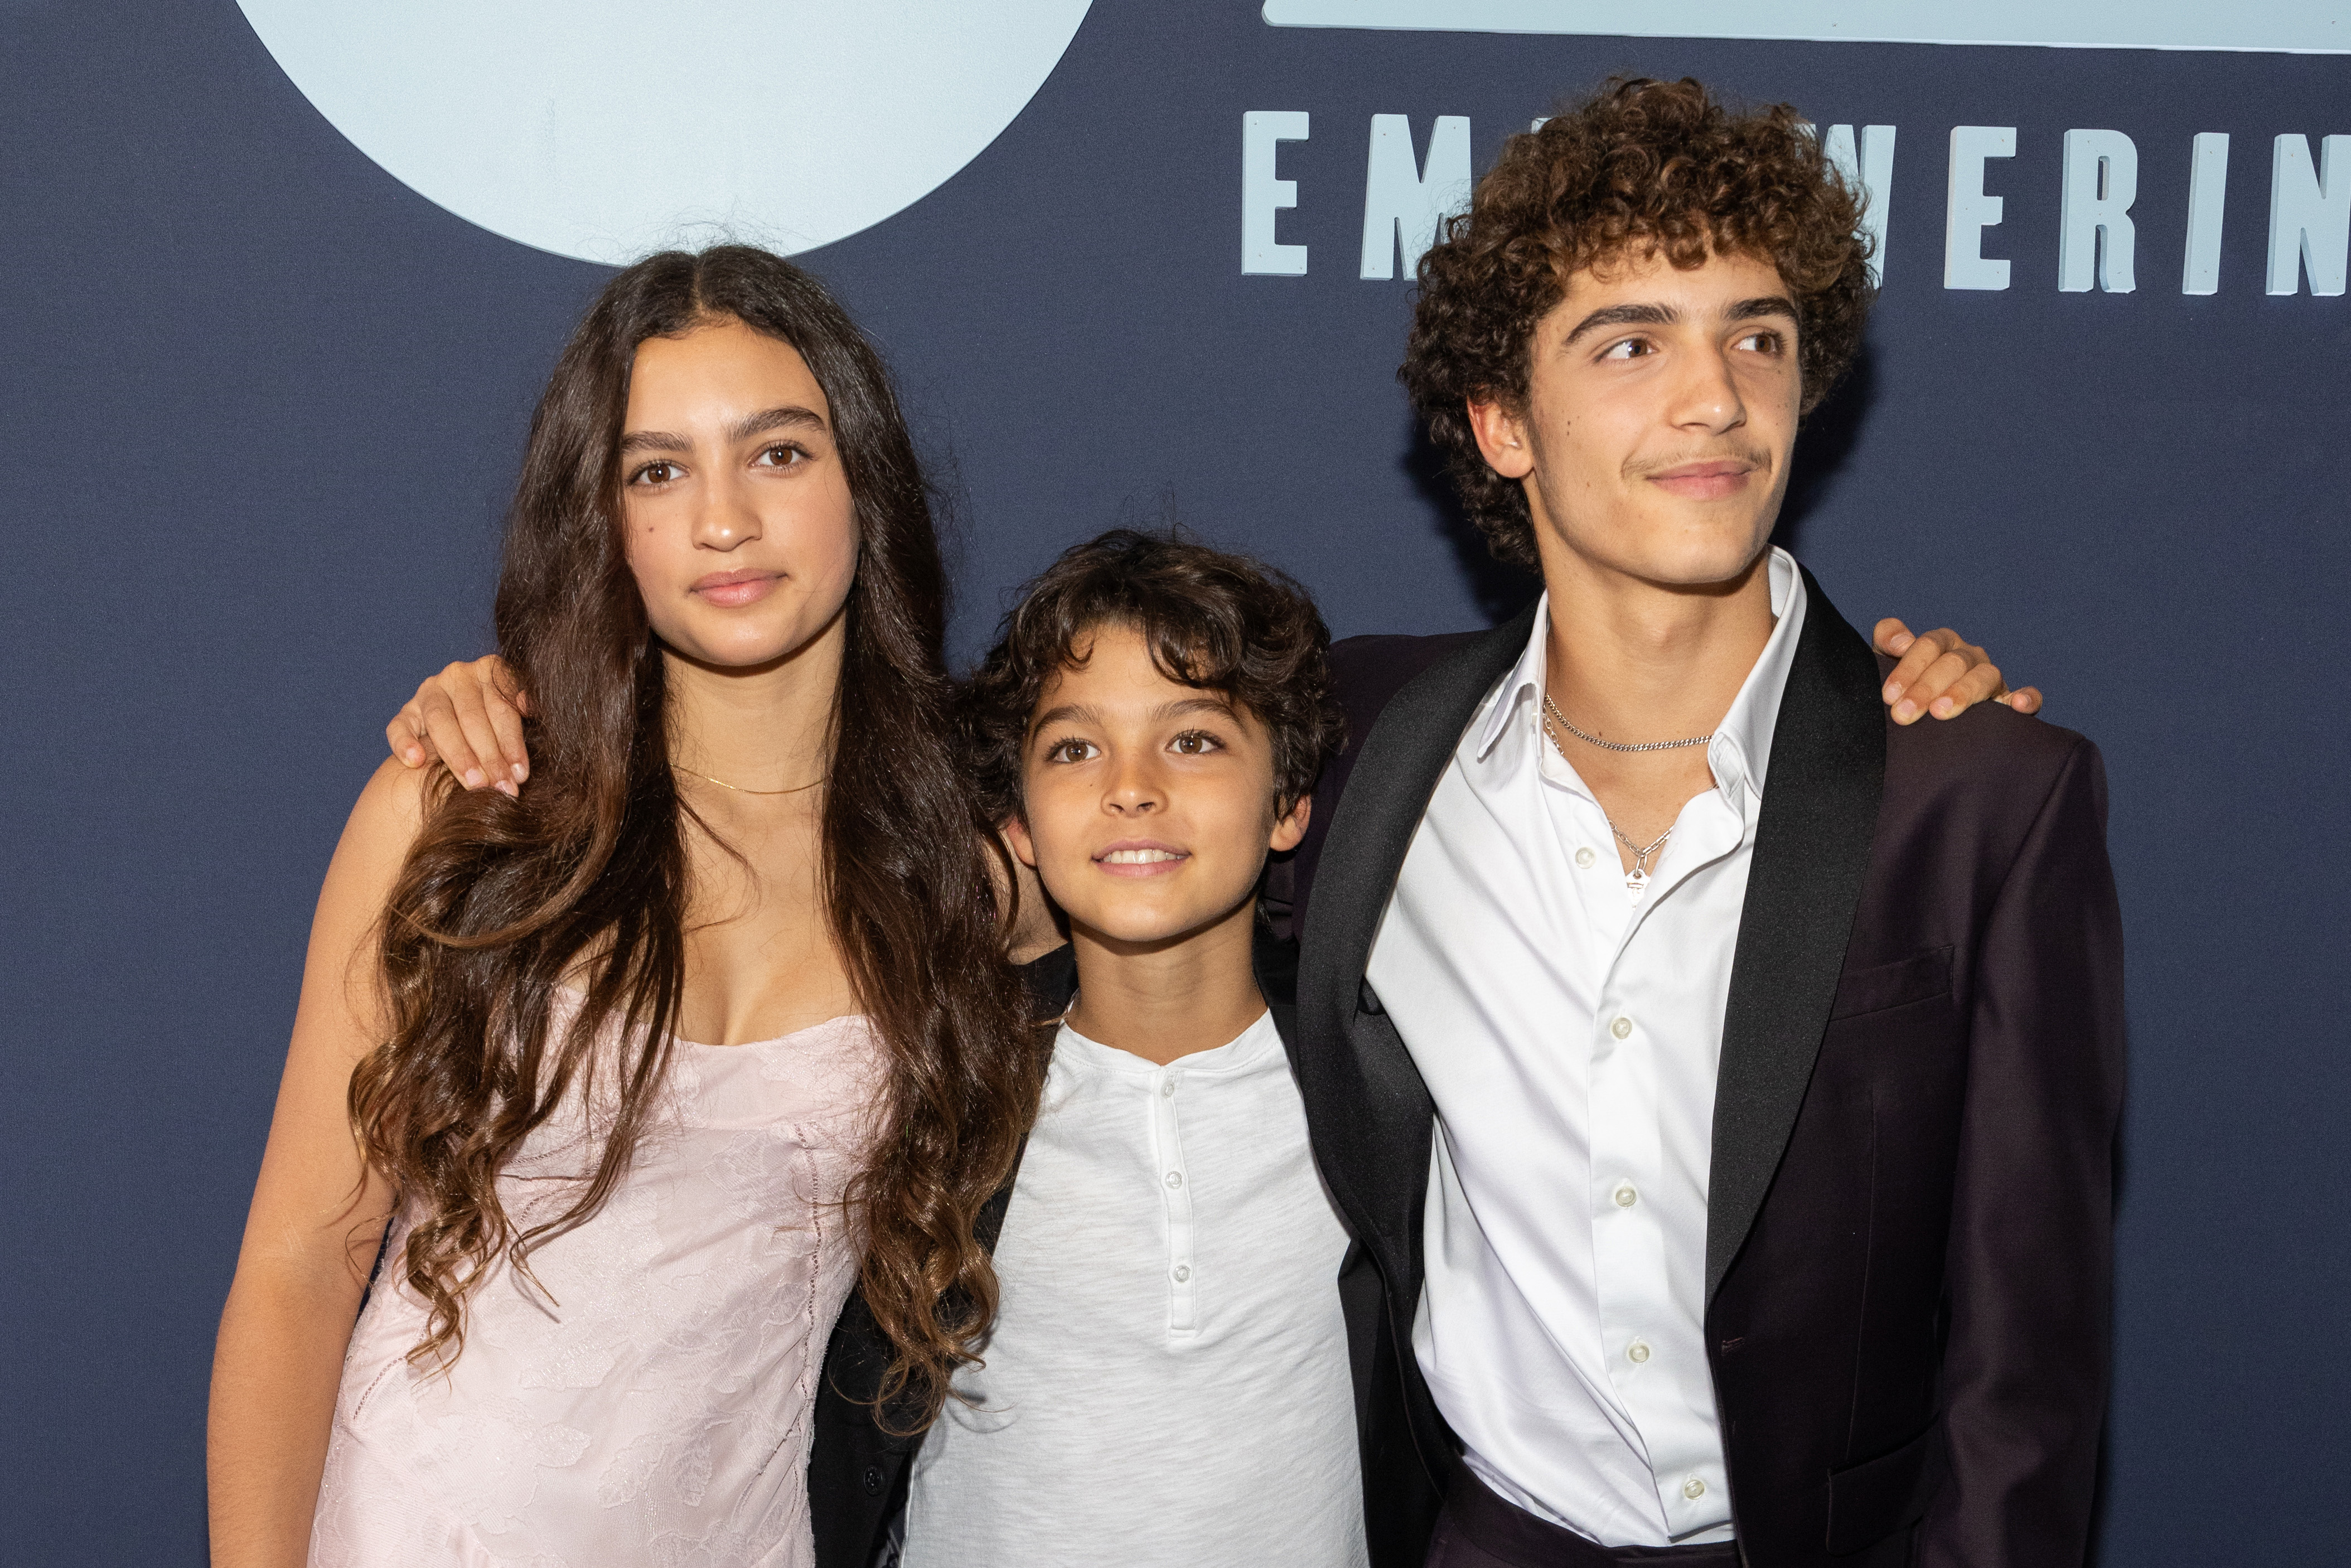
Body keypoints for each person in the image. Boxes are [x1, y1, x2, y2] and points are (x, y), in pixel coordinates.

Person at [1286, 78, 2125, 1566]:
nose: (1716, 398)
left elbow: (2027, 1386)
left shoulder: (1979, 795)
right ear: (1500, 423)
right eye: (1630, 342)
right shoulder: (1367, 746)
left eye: (1759, 336)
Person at [206, 246, 1039, 1567]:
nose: (724, 518)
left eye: (776, 453)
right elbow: (301, 1264)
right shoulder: (465, 817)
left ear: (862, 483)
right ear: (604, 521)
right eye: (659, 469)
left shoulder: (968, 876)